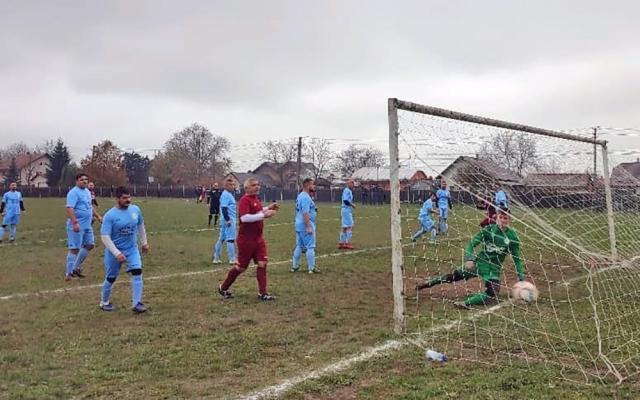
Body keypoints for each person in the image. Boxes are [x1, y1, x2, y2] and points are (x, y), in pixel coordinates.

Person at [416, 208, 526, 309]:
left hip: (493, 269)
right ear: (496, 217)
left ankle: (465, 303)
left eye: (505, 218)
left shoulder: (512, 237)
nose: (502, 220)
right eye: (500, 217)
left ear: (509, 220)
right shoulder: (488, 230)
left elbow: (517, 258)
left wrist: (521, 278)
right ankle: (428, 283)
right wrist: (470, 259)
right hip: (478, 263)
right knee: (453, 277)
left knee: (492, 293)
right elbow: (471, 244)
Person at [218, 178, 279, 301]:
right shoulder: (244, 200)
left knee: (262, 263)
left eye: (258, 184)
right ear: (247, 188)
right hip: (246, 240)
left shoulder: (256, 199)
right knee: (241, 268)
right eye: (254, 185)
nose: (257, 187)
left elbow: (256, 212)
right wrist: (264, 215)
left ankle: (263, 293)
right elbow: (245, 218)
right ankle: (223, 288)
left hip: (258, 239)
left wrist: (267, 208)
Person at [99, 186, 149, 313]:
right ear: (117, 199)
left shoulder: (135, 210)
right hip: (114, 251)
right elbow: (105, 237)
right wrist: (116, 253)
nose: (128, 200)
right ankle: (104, 302)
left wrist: (144, 243)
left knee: (137, 271)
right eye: (124, 198)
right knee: (111, 277)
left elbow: (141, 225)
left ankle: (136, 303)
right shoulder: (110, 215)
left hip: (132, 249)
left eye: (129, 197)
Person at [65, 173, 102, 281]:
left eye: (86, 179)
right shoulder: (73, 192)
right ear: (77, 181)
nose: (85, 181)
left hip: (87, 225)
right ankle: (69, 274)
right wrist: (74, 222)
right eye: (82, 180)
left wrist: (98, 216)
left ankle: (75, 268)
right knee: (74, 249)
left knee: (89, 245)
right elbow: (70, 208)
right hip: (77, 225)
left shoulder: (87, 192)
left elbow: (89, 206)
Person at [292, 178, 318, 273]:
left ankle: (295, 266)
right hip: (305, 224)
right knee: (310, 246)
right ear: (307, 185)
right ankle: (311, 268)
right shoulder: (305, 197)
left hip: (298, 224)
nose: (314, 186)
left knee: (299, 246)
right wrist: (308, 226)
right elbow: (305, 213)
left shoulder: (301, 196)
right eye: (312, 184)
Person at [213, 178, 237, 264]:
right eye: (231, 185)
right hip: (229, 220)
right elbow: (224, 208)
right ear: (226, 186)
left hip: (226, 219)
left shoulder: (229, 194)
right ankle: (232, 259)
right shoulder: (226, 195)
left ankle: (216, 258)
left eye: (233, 185)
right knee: (230, 239)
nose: (233, 186)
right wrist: (228, 219)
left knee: (221, 239)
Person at [338, 179, 356, 249]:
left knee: (345, 227)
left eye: (353, 183)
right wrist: (352, 205)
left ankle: (342, 242)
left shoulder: (348, 191)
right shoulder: (347, 190)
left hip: (345, 210)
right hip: (346, 210)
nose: (353, 185)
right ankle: (348, 243)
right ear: (348, 184)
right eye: (352, 183)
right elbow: (345, 201)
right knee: (350, 226)